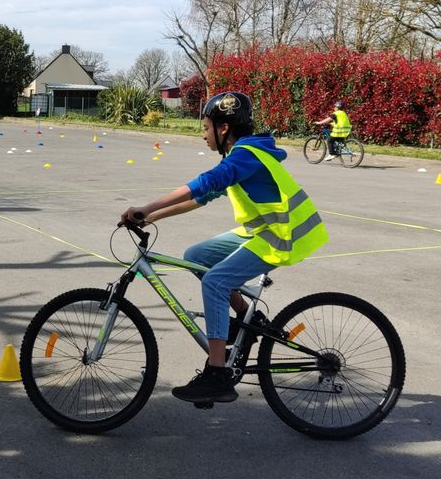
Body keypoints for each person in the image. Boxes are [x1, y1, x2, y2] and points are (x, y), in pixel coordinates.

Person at [119, 91, 329, 404]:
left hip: (281, 235)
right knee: (196, 257)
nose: (203, 135)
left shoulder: (246, 154)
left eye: (206, 128)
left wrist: (146, 206)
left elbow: (206, 182)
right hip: (261, 231)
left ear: (224, 128)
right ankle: (249, 318)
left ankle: (216, 373)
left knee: (216, 281)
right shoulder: (242, 154)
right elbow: (201, 197)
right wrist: (150, 217)